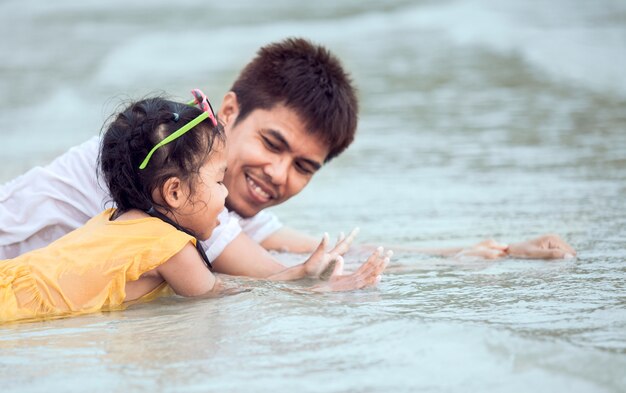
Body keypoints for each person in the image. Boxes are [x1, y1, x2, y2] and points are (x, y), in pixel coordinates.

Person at [0, 37, 575, 271]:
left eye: (304, 166)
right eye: (273, 144)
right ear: (226, 113)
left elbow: (318, 247)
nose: (277, 174)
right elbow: (283, 273)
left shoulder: (217, 194)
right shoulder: (168, 163)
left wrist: (474, 253)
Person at [0, 91, 390, 324]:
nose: (225, 198)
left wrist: (303, 268)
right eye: (218, 181)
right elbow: (225, 293)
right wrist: (322, 289)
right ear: (172, 193)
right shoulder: (170, 246)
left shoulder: (117, 219)